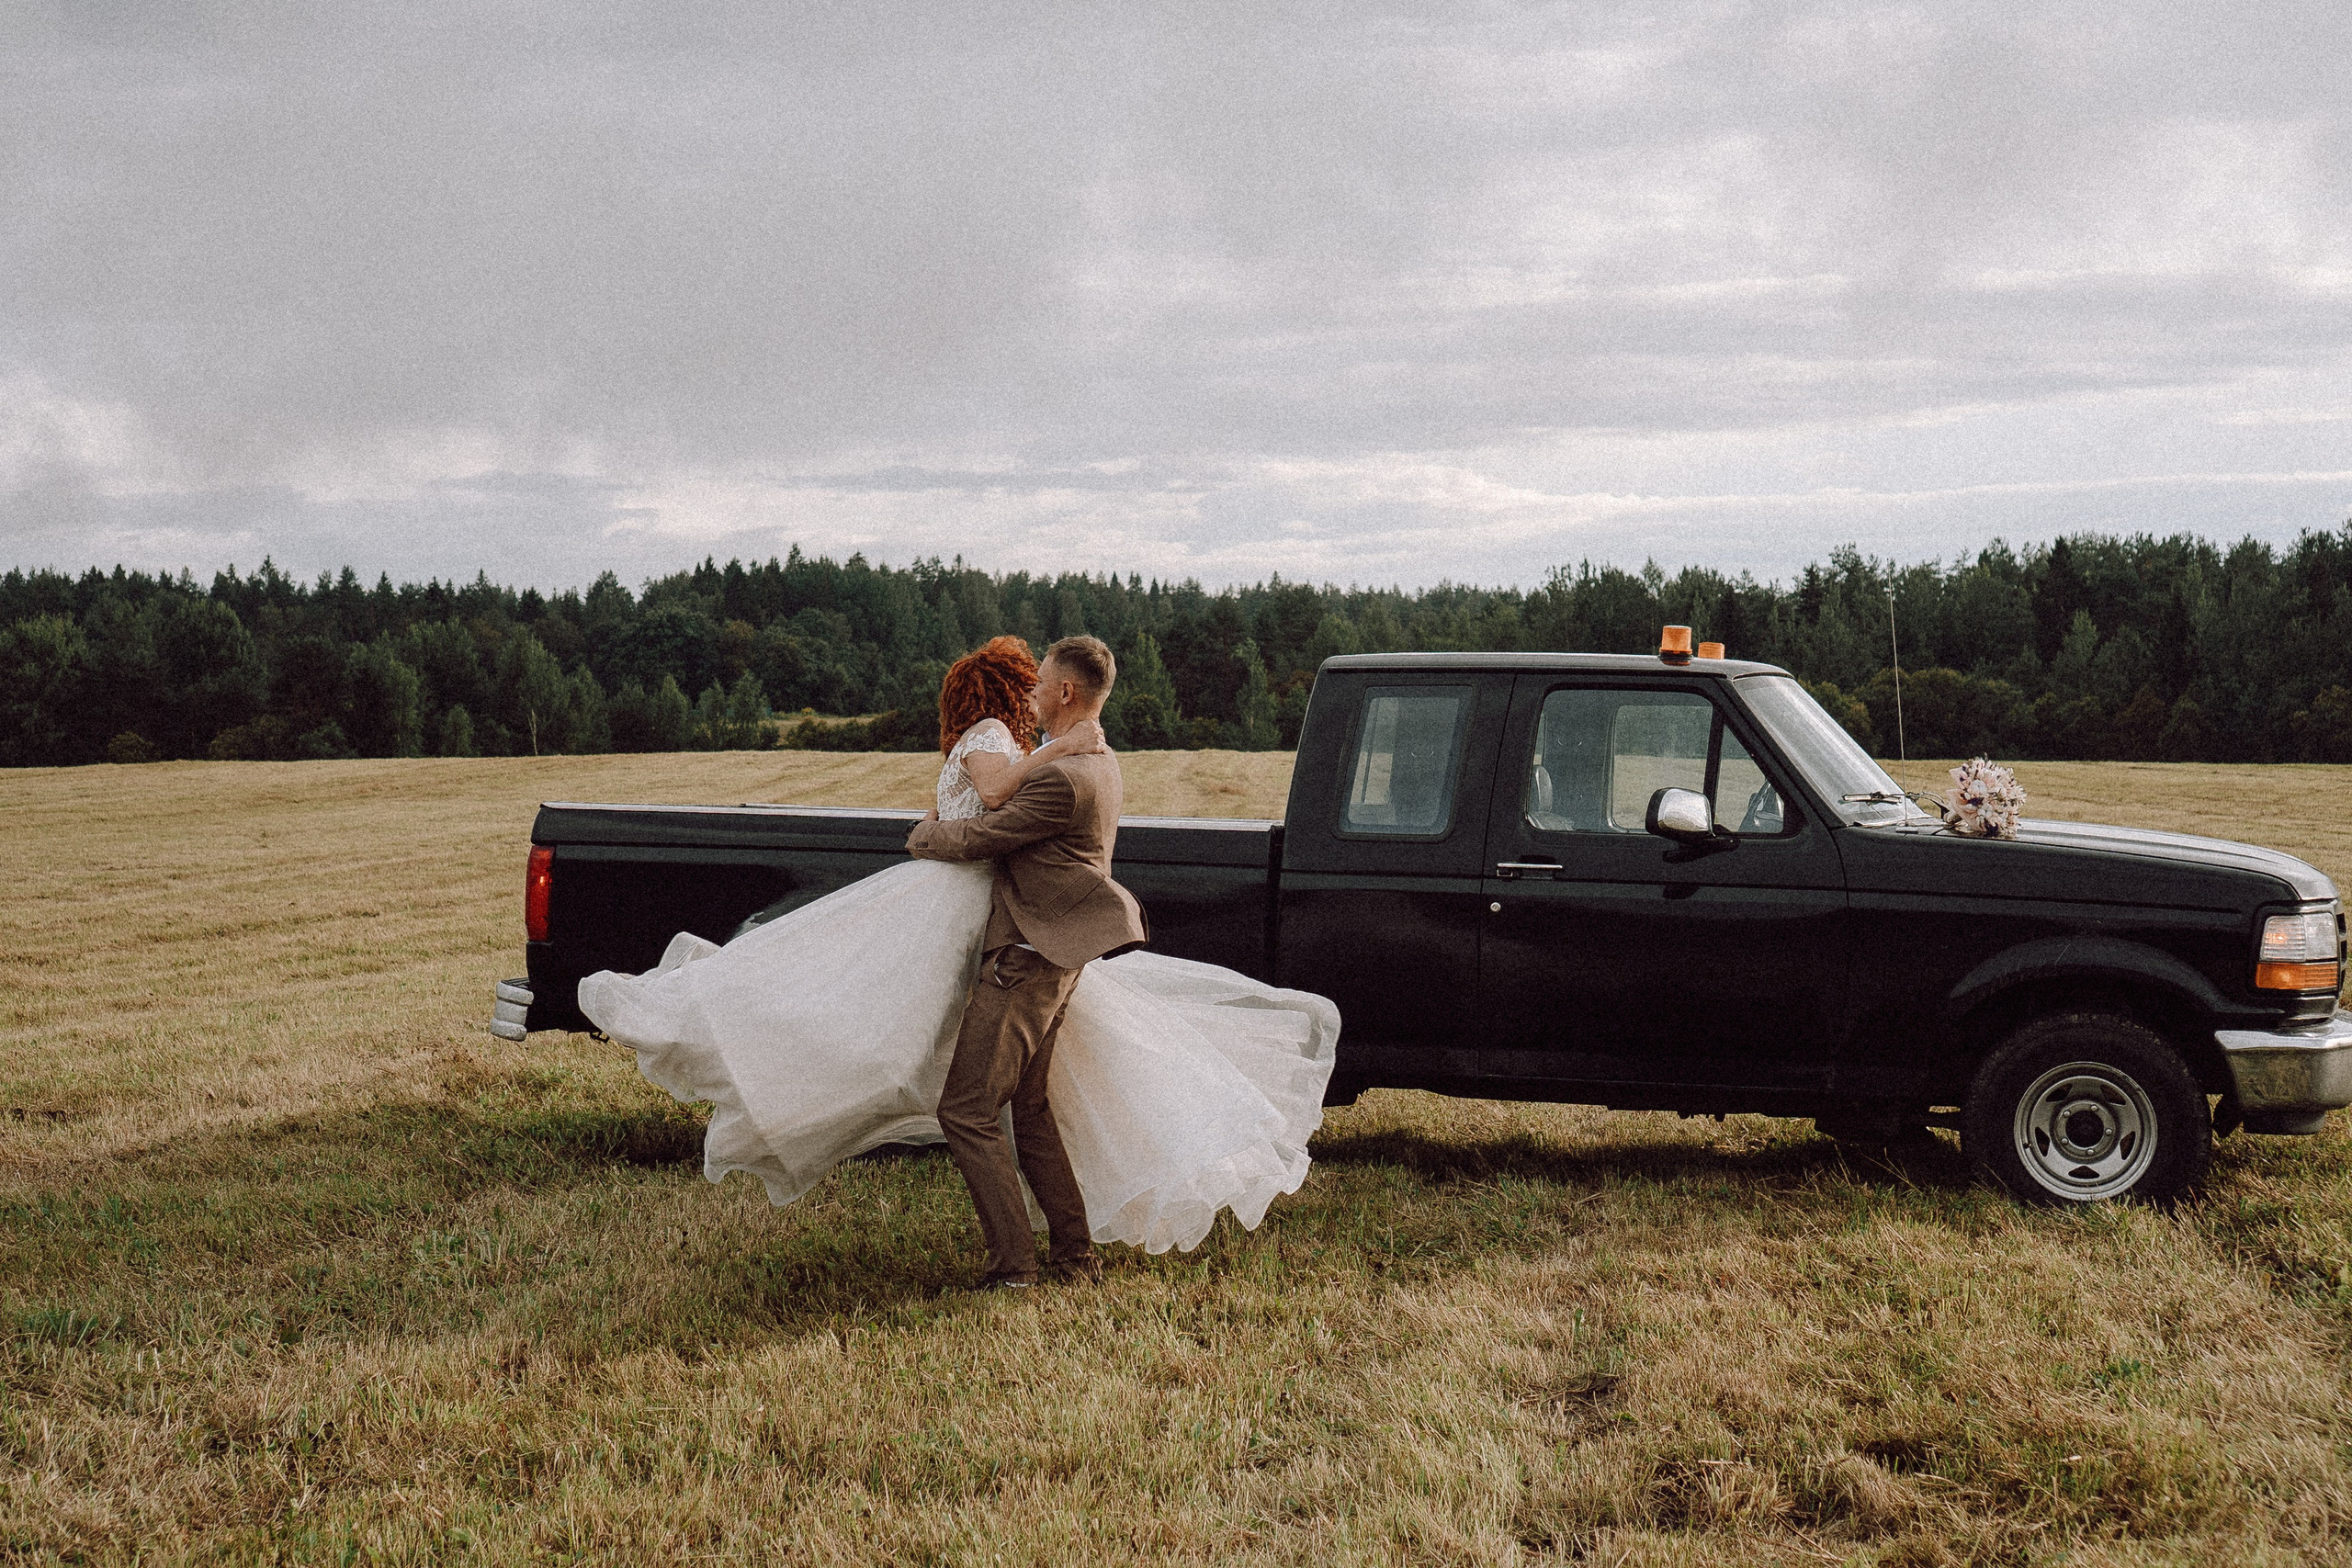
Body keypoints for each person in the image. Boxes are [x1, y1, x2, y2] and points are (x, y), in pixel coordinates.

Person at [574, 634, 1339, 1285]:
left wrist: (920, 835)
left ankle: (1015, 1266)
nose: (1030, 691)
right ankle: (1072, 1254)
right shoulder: (1087, 756)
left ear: (1066, 691)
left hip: (1029, 956)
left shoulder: (1066, 780)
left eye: (1040, 682)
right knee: (1030, 1108)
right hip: (1048, 949)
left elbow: (975, 838)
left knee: (966, 1110)